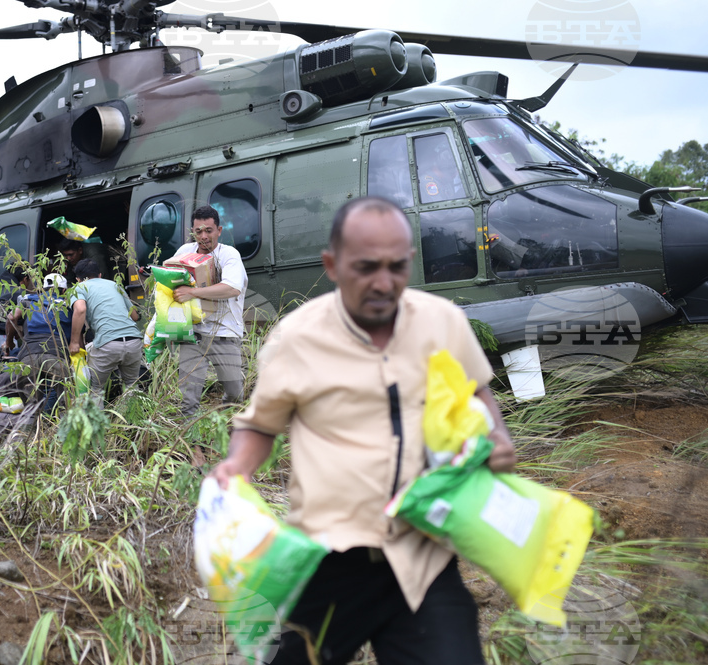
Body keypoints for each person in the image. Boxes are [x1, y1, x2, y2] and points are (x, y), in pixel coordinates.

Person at [209, 197, 516, 665]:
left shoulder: (442, 322)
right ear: (332, 265)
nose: (383, 282)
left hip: (423, 560)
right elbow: (260, 425)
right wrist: (236, 468)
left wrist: (497, 438)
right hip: (326, 563)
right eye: (366, 267)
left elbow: (478, 394)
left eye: (397, 267)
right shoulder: (297, 338)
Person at [170, 205, 248, 417]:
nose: (203, 237)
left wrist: (193, 292)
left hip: (224, 332)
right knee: (189, 394)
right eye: (198, 231)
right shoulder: (185, 252)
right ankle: (193, 444)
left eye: (209, 230)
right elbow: (167, 279)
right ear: (192, 232)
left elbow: (232, 288)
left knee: (235, 392)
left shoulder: (229, 254)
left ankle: (221, 423)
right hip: (192, 332)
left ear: (219, 230)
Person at [69, 259, 142, 406]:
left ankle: (99, 428)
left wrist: (75, 342)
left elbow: (80, 309)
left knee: (96, 389)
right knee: (131, 385)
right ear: (100, 275)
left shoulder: (79, 287)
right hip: (134, 340)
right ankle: (135, 426)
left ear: (77, 279)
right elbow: (134, 316)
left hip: (108, 343)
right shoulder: (115, 285)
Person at [9, 272, 73, 412]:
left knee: (31, 410)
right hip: (55, 355)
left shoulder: (29, 300)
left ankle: (35, 431)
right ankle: (61, 431)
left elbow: (12, 317)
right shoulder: (67, 305)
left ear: (43, 288)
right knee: (66, 405)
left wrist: (12, 341)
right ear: (63, 290)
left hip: (28, 356)